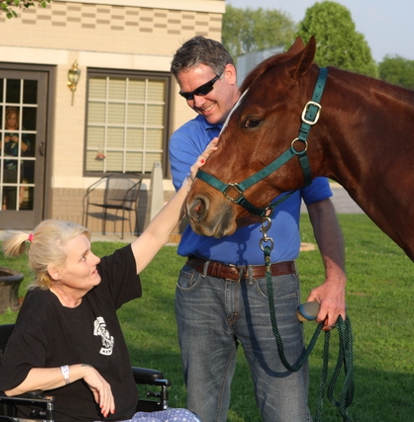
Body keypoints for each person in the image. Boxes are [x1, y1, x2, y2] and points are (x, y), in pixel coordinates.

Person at [169, 35, 347, 422]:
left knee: (289, 414)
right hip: (202, 287)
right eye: (187, 96)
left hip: (273, 287)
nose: (196, 102)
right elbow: (207, 217)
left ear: (229, 74)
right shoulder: (185, 141)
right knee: (199, 413)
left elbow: (320, 205)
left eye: (202, 89)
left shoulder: (286, 131)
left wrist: (336, 280)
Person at [0, 141, 217, 422]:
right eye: (84, 257)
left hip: (128, 417)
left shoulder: (98, 283)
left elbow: (153, 237)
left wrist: (190, 181)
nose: (96, 260)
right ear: (56, 272)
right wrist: (82, 370)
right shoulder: (42, 307)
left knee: (185, 418)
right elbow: (15, 381)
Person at [0, 106, 30, 210]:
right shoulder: (0, 130)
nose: (11, 121)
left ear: (17, 120)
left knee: (13, 197)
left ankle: (11, 221)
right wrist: (4, 141)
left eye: (14, 119)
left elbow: (26, 148)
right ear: (6, 119)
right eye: (9, 118)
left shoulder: (22, 130)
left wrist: (18, 140)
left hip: (16, 169)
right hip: (1, 167)